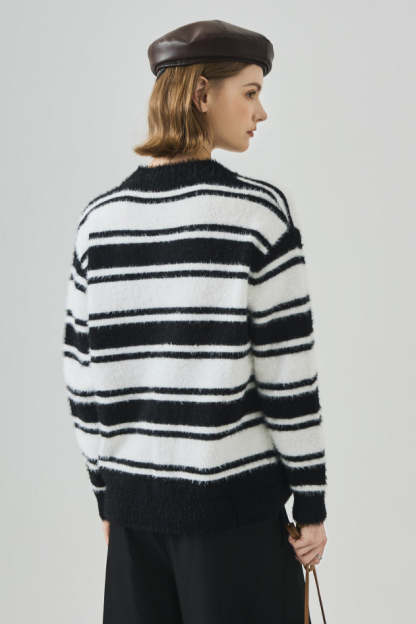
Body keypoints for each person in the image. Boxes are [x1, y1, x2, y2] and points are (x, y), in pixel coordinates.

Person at [62, 19, 328, 623]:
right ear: (202, 94)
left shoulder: (98, 223)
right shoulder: (258, 215)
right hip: (236, 519)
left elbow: (82, 380)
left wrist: (109, 495)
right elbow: (287, 373)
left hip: (134, 524)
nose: (261, 112)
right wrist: (310, 502)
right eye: (251, 92)